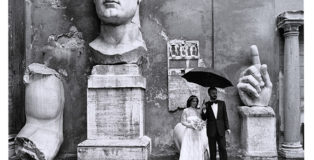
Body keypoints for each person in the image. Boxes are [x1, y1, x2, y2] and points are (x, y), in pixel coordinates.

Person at [174, 95, 209, 160]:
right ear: (190, 102)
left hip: (197, 133)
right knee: (188, 147)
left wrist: (201, 124)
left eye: (196, 101)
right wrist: (191, 125)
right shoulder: (186, 110)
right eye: (193, 101)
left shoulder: (197, 111)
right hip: (189, 132)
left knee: (196, 147)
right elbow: (183, 122)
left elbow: (201, 120)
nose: (195, 103)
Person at [201, 87, 230, 160]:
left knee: (223, 148)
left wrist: (227, 128)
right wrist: (204, 109)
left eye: (216, 93)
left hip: (221, 129)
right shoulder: (206, 104)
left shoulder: (222, 103)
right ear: (209, 94)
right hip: (211, 130)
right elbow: (204, 118)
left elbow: (225, 116)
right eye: (213, 93)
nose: (215, 94)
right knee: (212, 149)